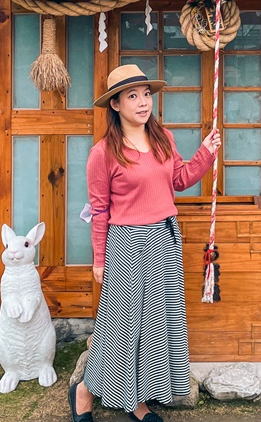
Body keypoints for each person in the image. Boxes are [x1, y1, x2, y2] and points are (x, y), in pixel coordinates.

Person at [69, 64, 221, 422]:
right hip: (126, 244)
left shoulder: (164, 138)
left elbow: (180, 180)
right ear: (116, 105)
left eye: (146, 94)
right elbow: (100, 209)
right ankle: (85, 391)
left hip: (163, 241)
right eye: (132, 96)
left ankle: (137, 402)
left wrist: (206, 151)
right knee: (120, 327)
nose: (142, 102)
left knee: (154, 324)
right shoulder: (103, 153)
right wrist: (99, 259)